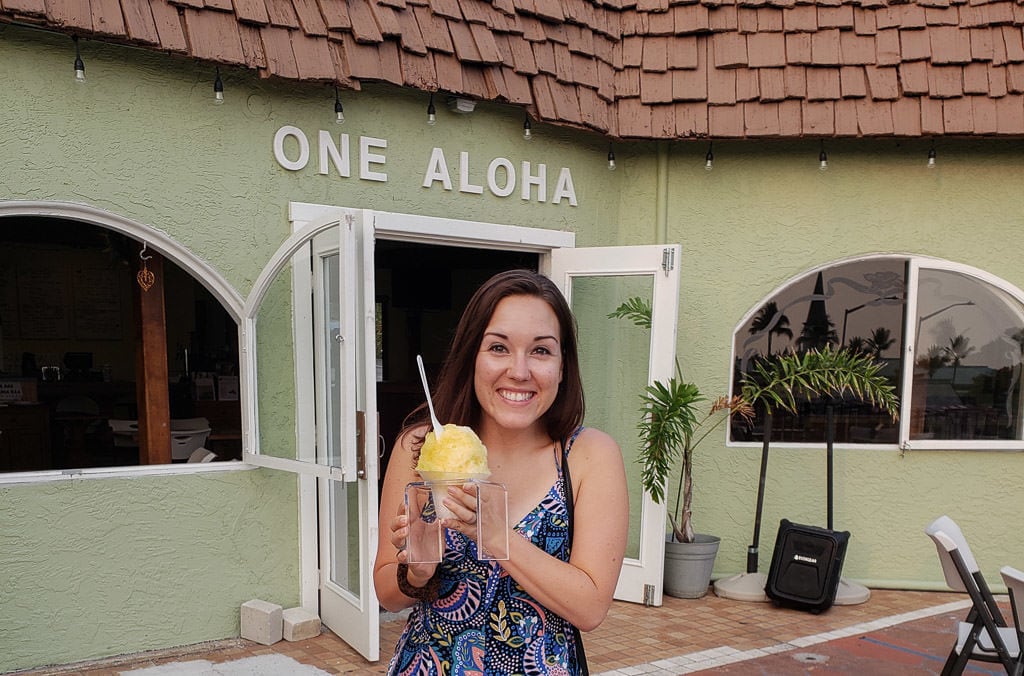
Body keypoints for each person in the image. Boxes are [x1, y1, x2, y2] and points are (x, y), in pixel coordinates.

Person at [373, 269, 629, 675]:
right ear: (472, 357)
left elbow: (590, 606)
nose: (520, 371)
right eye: (498, 347)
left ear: (563, 368)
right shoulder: (420, 446)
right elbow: (388, 592)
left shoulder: (588, 455)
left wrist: (494, 534)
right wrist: (417, 572)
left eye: (541, 351)